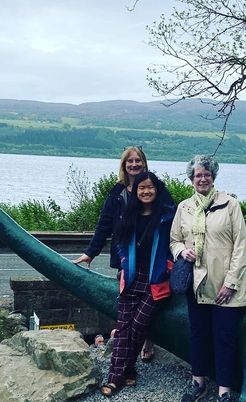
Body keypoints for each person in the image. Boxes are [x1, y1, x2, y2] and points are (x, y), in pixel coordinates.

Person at [73, 145, 172, 362]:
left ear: (144, 163)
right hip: (126, 258)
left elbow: (172, 219)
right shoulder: (117, 193)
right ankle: (126, 353)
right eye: (130, 161)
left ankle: (147, 340)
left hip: (154, 258)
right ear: (124, 165)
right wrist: (91, 253)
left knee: (151, 302)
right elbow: (104, 225)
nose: (134, 164)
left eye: (138, 161)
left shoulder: (156, 188)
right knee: (128, 305)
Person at [169, 155, 246, 402]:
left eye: (207, 175)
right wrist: (182, 251)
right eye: (197, 175)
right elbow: (174, 241)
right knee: (198, 334)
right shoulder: (184, 207)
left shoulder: (230, 205)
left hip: (225, 287)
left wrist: (231, 283)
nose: (202, 179)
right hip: (197, 284)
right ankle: (198, 382)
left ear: (213, 177)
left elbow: (241, 247)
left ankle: (224, 392)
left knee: (224, 338)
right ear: (191, 179)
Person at [99, 172, 175, 396]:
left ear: (156, 189)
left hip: (156, 279)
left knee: (139, 325)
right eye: (141, 187)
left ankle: (128, 370)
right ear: (136, 190)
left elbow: (176, 242)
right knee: (123, 328)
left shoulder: (167, 217)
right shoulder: (128, 215)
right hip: (132, 276)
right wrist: (124, 262)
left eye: (150, 187)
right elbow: (120, 243)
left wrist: (168, 267)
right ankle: (117, 377)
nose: (146, 191)